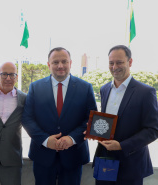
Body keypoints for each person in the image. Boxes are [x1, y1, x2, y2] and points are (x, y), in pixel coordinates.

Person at [22, 47, 97, 185]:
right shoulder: (35, 87)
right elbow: (27, 118)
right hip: (43, 155)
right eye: (55, 62)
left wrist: (72, 138)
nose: (60, 65)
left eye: (64, 61)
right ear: (48, 65)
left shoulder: (85, 88)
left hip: (73, 155)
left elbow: (91, 119)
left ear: (71, 63)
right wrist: (45, 140)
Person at [93, 45, 158, 185]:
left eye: (119, 62)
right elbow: (106, 122)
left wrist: (122, 145)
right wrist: (95, 130)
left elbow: (153, 130)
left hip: (131, 163)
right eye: (111, 63)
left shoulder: (146, 92)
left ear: (130, 62)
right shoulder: (104, 89)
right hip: (104, 160)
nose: (114, 66)